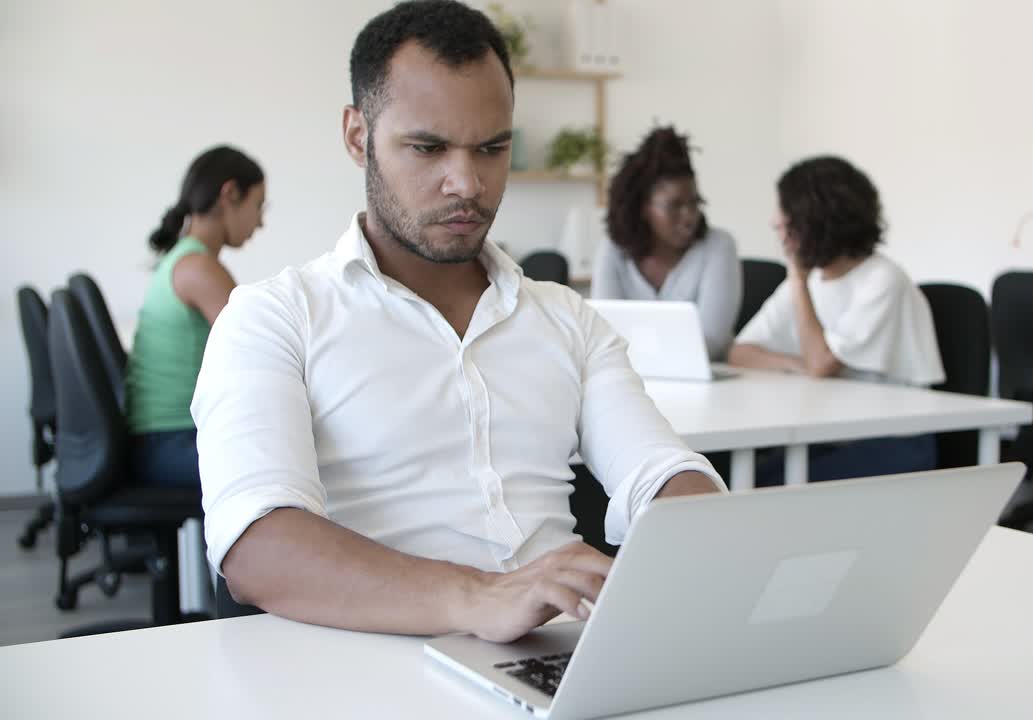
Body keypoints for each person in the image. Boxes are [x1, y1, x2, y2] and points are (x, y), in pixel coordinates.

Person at [192, 0, 723, 643]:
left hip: (555, 659)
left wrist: (705, 533)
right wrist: (481, 597)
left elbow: (660, 471)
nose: (466, 183)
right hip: (369, 664)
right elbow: (258, 548)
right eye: (427, 147)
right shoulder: (273, 318)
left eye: (491, 148)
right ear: (358, 136)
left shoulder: (566, 319)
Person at [728, 155, 944, 483]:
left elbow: (823, 364)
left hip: (895, 441)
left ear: (815, 221)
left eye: (786, 215)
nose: (776, 223)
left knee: (765, 490)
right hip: (830, 435)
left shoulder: (882, 279)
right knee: (738, 482)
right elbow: (740, 352)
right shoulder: (812, 279)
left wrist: (798, 280)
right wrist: (796, 364)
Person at [126, 146, 266, 488]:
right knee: (287, 464)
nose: (260, 222)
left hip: (157, 441)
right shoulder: (198, 268)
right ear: (229, 194)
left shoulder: (183, 259)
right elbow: (259, 352)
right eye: (258, 206)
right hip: (169, 444)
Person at [592, 127, 742, 360]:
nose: (689, 216)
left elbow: (711, 341)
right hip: (632, 379)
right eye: (674, 206)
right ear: (643, 207)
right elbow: (603, 334)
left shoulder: (718, 247)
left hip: (710, 384)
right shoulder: (613, 250)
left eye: (694, 203)